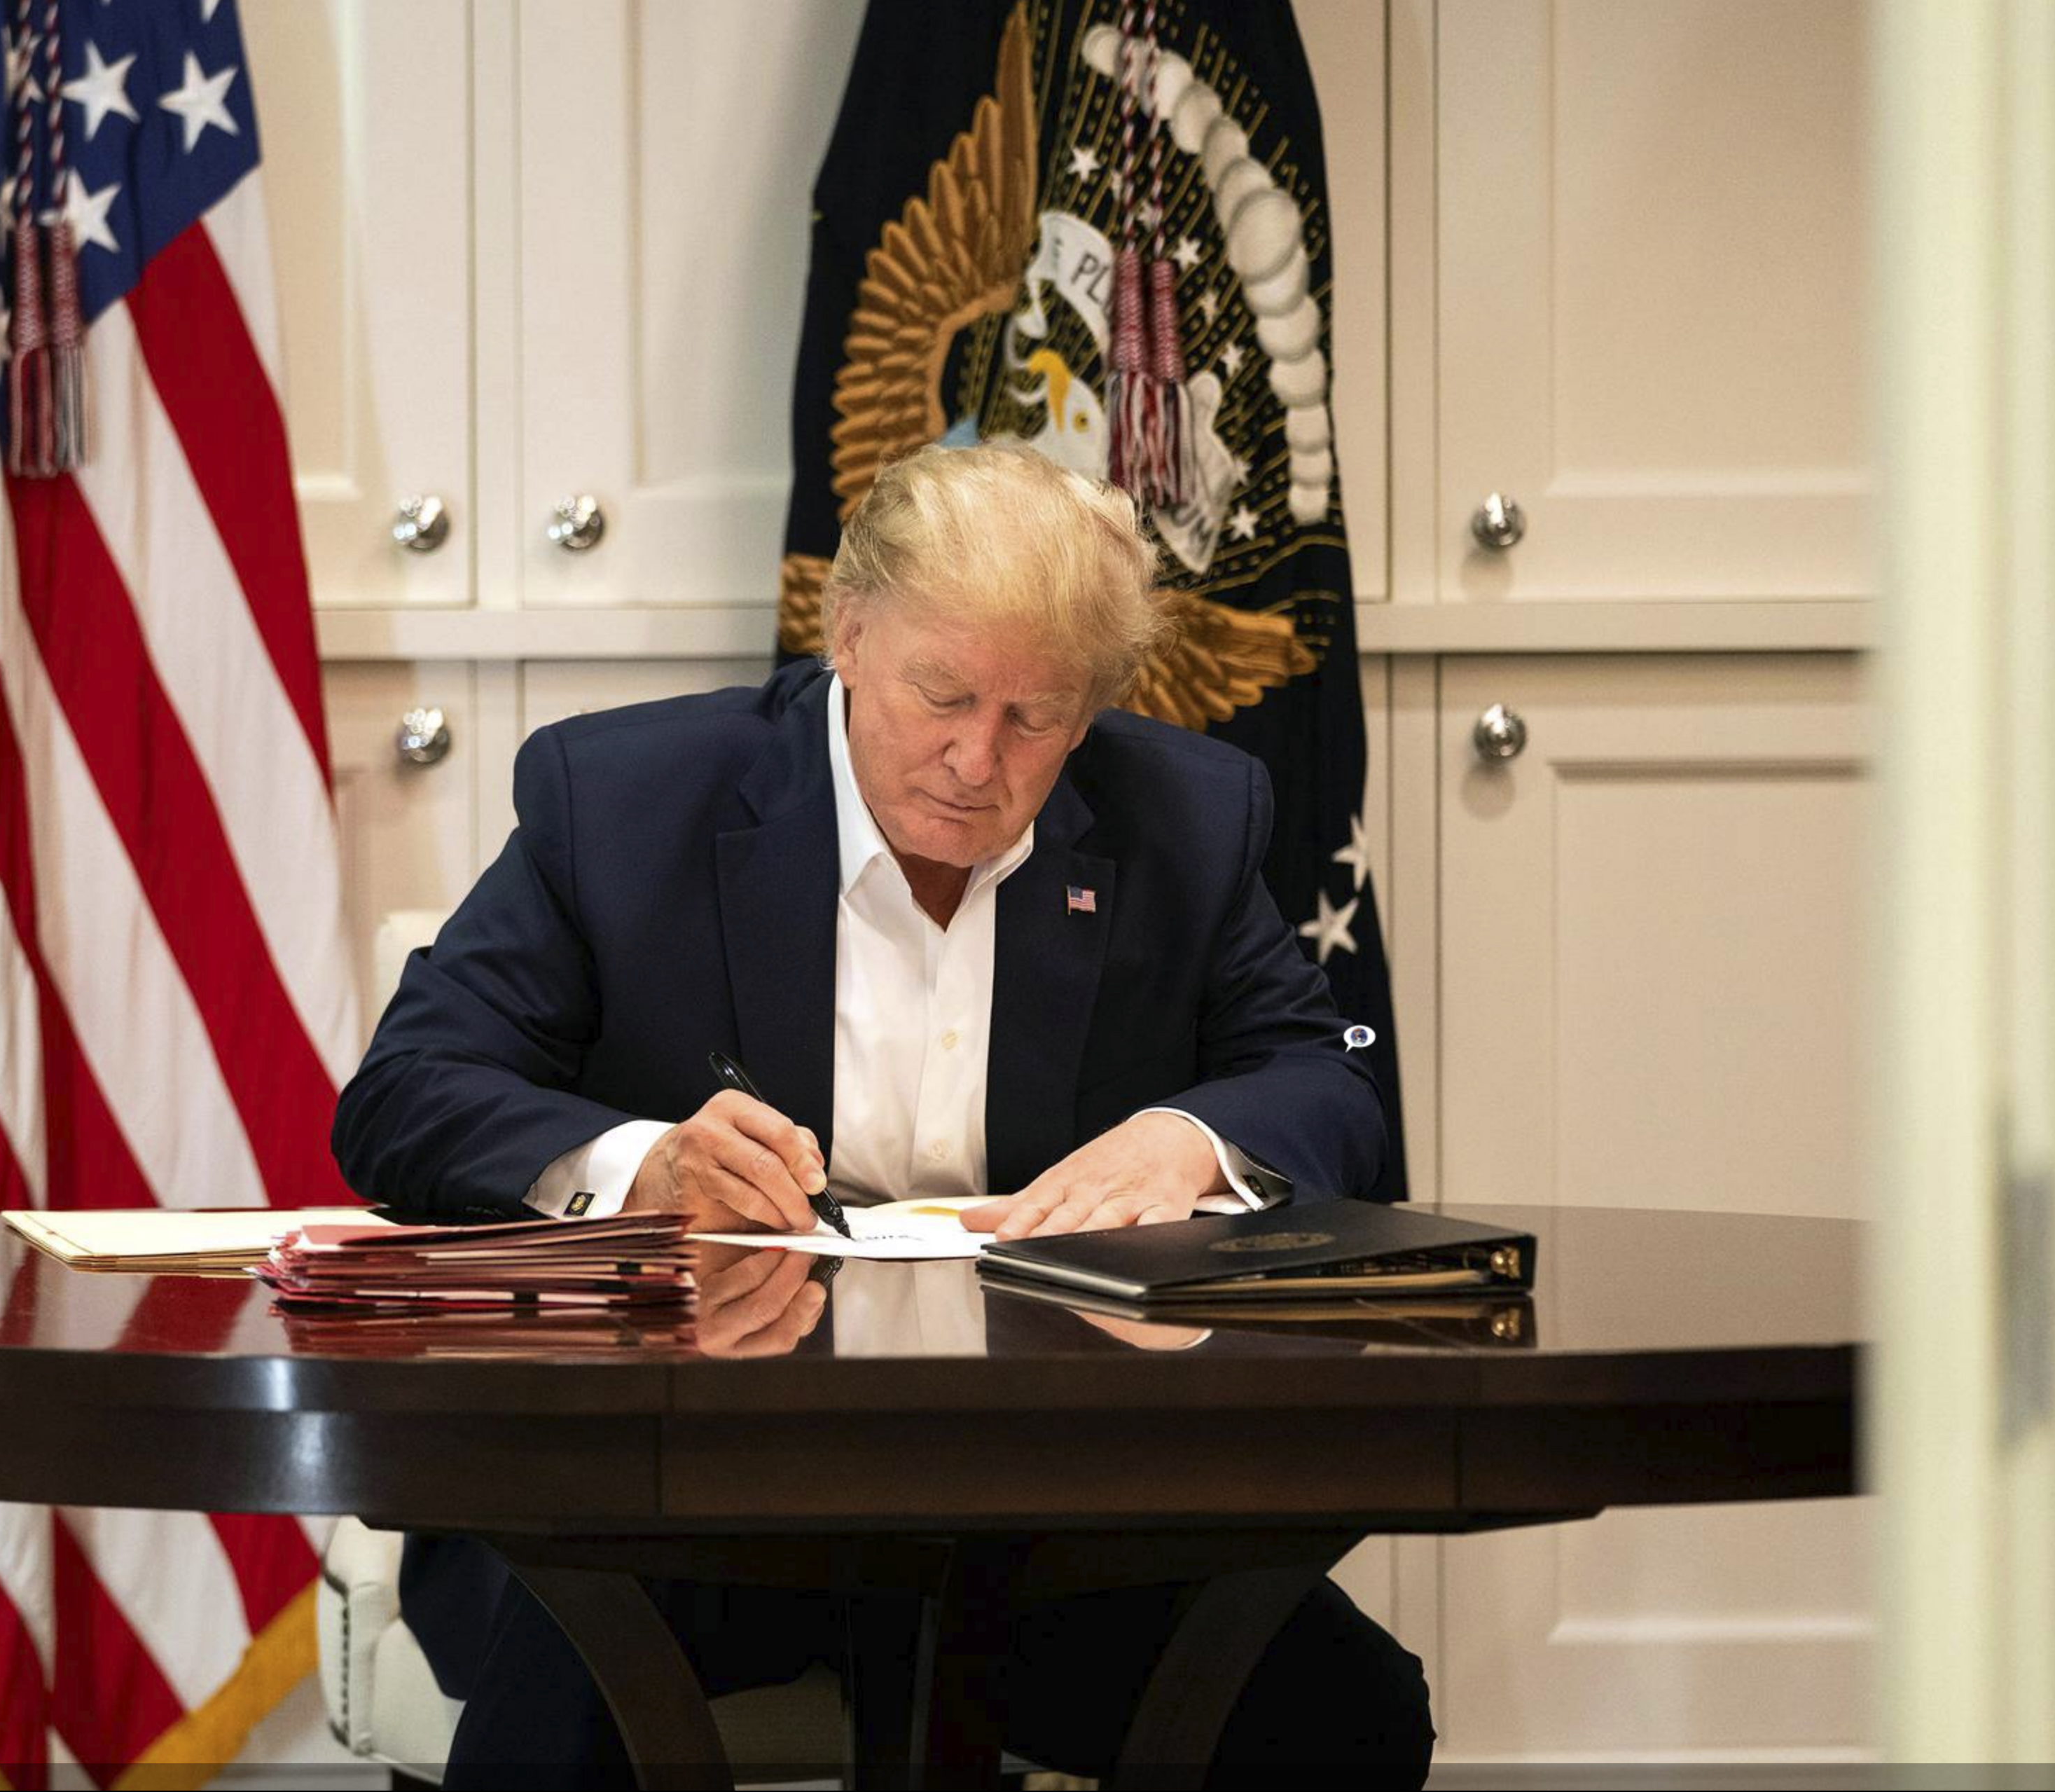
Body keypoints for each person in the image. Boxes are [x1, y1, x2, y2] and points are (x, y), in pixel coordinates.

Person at [331, 442, 1431, 1785]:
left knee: (1342, 1707)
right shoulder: (621, 801)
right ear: (850, 634)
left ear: (1091, 711)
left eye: (1036, 716)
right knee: (572, 1696)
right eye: (944, 695)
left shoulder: (1185, 821)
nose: (980, 758)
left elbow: (1327, 1087)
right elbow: (404, 1093)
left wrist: (1192, 1137)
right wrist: (641, 1164)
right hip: (667, 1496)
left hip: (1048, 1513)